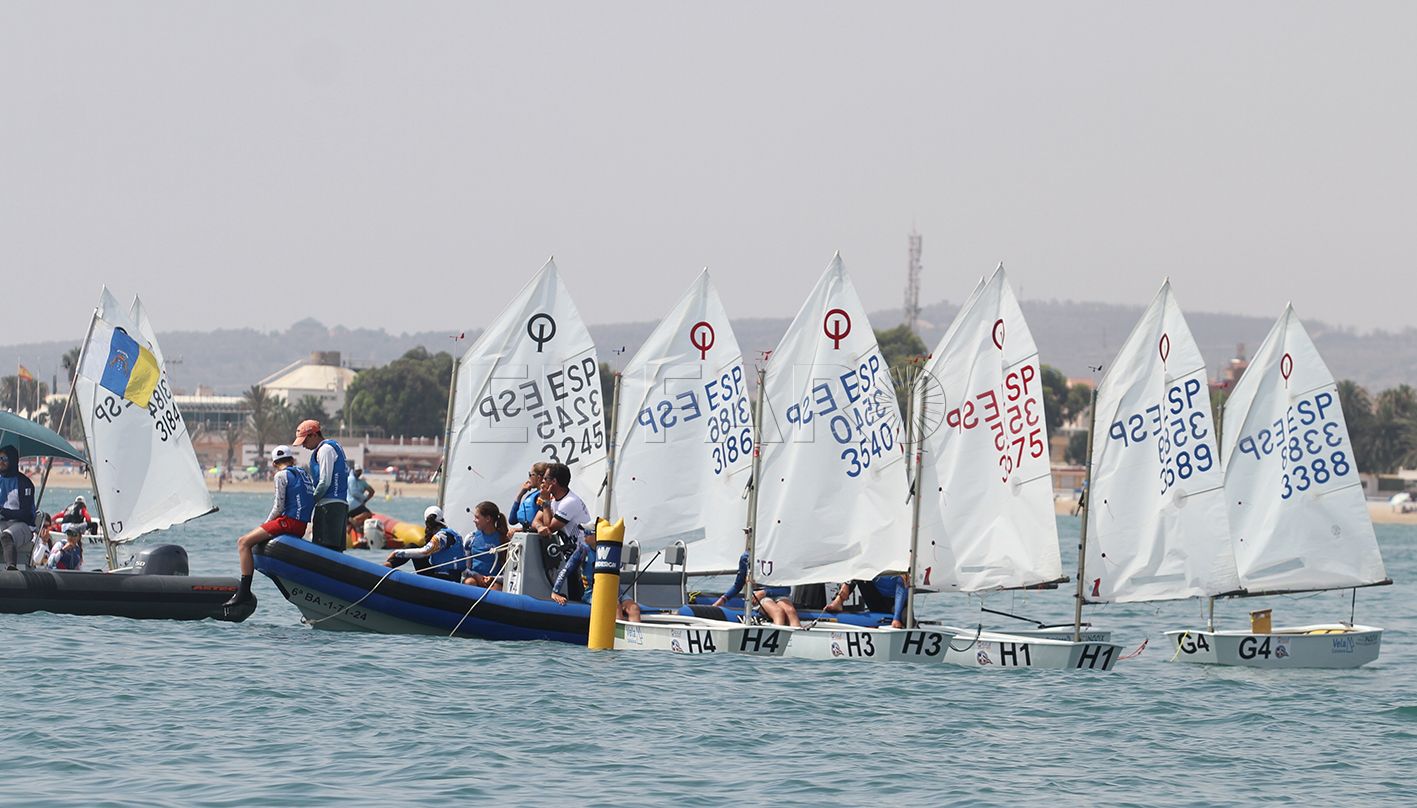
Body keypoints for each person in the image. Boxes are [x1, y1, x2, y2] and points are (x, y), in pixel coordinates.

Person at [224, 445, 315, 608]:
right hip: (301, 526)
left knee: (243, 542)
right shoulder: (303, 474)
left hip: (289, 523)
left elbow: (278, 506)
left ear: (274, 464)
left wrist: (265, 525)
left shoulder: (281, 475)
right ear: (292, 460)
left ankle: (244, 592)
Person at [549, 518, 640, 622]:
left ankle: (636, 637)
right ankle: (615, 636)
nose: (584, 535)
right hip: (591, 592)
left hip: (616, 591)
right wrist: (555, 592)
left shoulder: (611, 548)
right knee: (615, 606)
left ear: (596, 536)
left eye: (587, 532)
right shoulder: (583, 549)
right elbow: (566, 570)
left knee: (634, 608)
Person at [294, 419, 349, 551]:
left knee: (324, 549)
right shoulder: (332, 447)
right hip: (338, 504)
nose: (303, 445)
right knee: (334, 550)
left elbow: (325, 481)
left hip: (329, 507)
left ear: (314, 435)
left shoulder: (325, 450)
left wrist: (311, 501)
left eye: (305, 441)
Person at [712, 551, 801, 627]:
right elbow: (738, 585)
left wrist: (764, 592)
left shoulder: (778, 556)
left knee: (790, 611)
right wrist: (721, 600)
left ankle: (799, 639)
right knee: (778, 612)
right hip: (757, 598)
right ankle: (779, 641)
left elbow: (786, 590)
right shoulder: (746, 557)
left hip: (775, 594)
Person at [385, 506, 463, 581]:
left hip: (447, 578)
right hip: (445, 575)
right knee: (412, 546)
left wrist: (396, 553)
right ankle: (388, 566)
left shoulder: (442, 536)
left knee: (413, 548)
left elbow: (424, 552)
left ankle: (388, 565)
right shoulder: (454, 533)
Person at [0, 445, 37, 571]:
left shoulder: (24, 483)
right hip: (3, 521)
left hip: (24, 525)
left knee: (6, 536)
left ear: (12, 460)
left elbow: (26, 514)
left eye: (4, 459)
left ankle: (11, 569)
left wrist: (4, 512)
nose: (1, 462)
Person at [824, 574, 909, 629]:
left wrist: (896, 618)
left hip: (897, 602)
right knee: (859, 572)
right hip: (877, 600)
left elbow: (901, 590)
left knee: (907, 618)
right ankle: (838, 602)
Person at [461, 501, 511, 589]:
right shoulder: (471, 538)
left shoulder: (504, 540)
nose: (474, 520)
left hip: (494, 581)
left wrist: (494, 578)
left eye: (477, 517)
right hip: (474, 578)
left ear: (488, 519)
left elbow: (508, 572)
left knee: (496, 589)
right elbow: (465, 568)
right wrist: (476, 576)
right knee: (469, 582)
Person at [509, 463, 548, 530]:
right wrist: (520, 494)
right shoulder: (531, 496)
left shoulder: (542, 495)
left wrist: (520, 530)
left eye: (530, 475)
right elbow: (512, 520)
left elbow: (542, 522)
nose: (529, 478)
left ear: (538, 477)